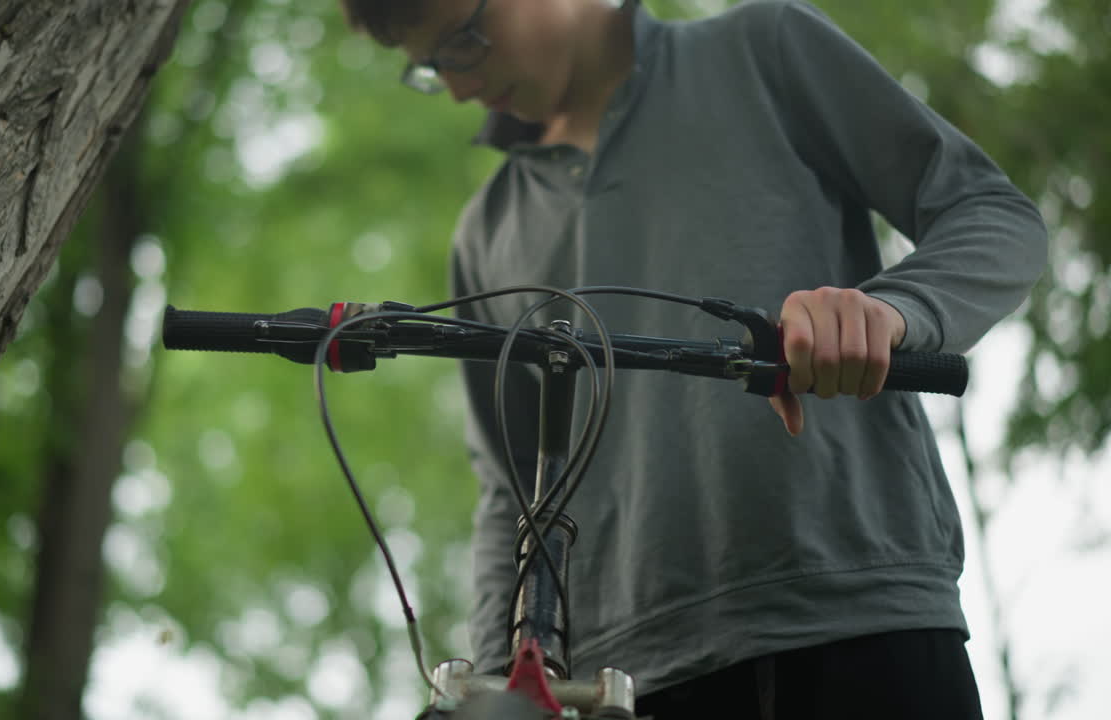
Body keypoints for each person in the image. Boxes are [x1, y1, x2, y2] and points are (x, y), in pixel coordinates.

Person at [338, 1, 1047, 717]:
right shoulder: (486, 235)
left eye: (463, 42)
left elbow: (990, 213)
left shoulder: (765, 51)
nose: (457, 88)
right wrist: (497, 686)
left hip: (861, 621)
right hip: (626, 683)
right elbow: (510, 491)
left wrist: (895, 312)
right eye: (431, 68)